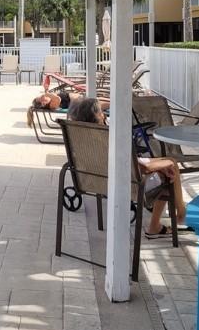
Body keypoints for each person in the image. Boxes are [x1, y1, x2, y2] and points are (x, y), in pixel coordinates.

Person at [66, 98, 186, 238]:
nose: (104, 113)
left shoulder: (83, 138)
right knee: (171, 168)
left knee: (167, 164)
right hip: (127, 183)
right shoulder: (107, 137)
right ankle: (180, 215)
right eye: (101, 111)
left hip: (99, 181)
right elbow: (143, 168)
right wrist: (164, 166)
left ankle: (169, 218)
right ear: (98, 116)